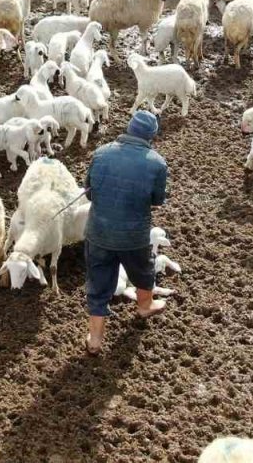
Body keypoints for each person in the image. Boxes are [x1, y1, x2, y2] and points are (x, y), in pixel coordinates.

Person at [82, 110, 168, 355]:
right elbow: (157, 200)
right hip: (134, 236)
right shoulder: (157, 163)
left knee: (99, 281)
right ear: (151, 135)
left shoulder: (101, 152)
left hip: (99, 231)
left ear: (129, 128)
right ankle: (145, 306)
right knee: (143, 270)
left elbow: (89, 192)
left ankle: (95, 339)